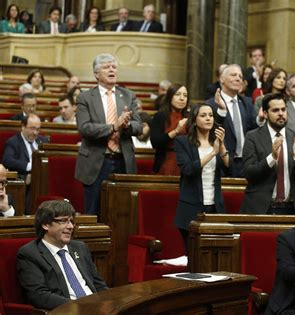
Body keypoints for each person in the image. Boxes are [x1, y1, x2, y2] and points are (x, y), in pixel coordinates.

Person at [75, 53, 141, 216]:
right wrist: (113, 126)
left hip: (123, 161)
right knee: (94, 211)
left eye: (114, 67)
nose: (112, 70)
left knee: (123, 212)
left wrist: (125, 126)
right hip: (97, 161)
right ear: (96, 74)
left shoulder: (128, 95)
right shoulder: (85, 98)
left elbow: (138, 126)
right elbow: (84, 128)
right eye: (106, 67)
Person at [17, 200, 108, 310]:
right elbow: (39, 296)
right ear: (45, 224)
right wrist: (79, 306)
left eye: (71, 221)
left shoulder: (80, 247)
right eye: (64, 221)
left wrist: (110, 302)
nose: (70, 226)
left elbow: (98, 284)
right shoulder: (30, 254)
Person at [240, 93, 295, 215]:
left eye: (283, 109)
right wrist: (272, 158)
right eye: (275, 110)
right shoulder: (252, 137)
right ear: (265, 113)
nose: (281, 113)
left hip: (290, 208)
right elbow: (249, 173)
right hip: (261, 208)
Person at [174, 103, 229, 248]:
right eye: (203, 115)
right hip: (191, 207)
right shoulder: (183, 142)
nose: (208, 119)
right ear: (194, 120)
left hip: (215, 205)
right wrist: (212, 153)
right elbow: (188, 169)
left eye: (211, 115)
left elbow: (230, 168)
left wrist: (221, 146)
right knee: (193, 253)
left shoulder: (216, 141)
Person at [206, 64, 257, 177]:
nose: (238, 78)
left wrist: (261, 120)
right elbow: (211, 131)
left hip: (246, 163)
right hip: (222, 162)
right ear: (222, 79)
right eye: (233, 75)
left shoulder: (247, 102)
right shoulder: (211, 104)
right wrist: (222, 111)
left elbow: (253, 129)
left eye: (240, 76)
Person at [3, 114, 49, 213]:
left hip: (43, 181)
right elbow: (7, 161)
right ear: (23, 126)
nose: (35, 132)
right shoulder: (13, 142)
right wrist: (30, 167)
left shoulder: (44, 141)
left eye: (38, 129)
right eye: (32, 128)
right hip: (25, 182)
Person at [150, 83, 189, 174]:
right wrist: (176, 131)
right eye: (178, 94)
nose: (182, 98)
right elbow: (155, 143)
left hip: (186, 163)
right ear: (170, 97)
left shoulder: (190, 117)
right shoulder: (160, 116)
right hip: (165, 162)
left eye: (185, 95)